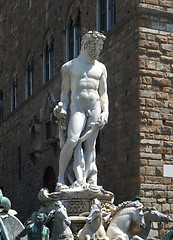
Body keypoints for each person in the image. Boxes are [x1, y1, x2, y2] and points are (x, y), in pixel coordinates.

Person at [54, 31, 108, 188]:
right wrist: (61, 108)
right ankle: (60, 178)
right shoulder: (69, 67)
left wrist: (106, 112)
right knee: (72, 139)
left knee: (90, 146)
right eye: (97, 47)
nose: (99, 51)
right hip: (77, 106)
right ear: (87, 45)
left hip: (95, 106)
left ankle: (85, 181)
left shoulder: (101, 68)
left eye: (100, 47)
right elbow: (65, 94)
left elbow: (103, 94)